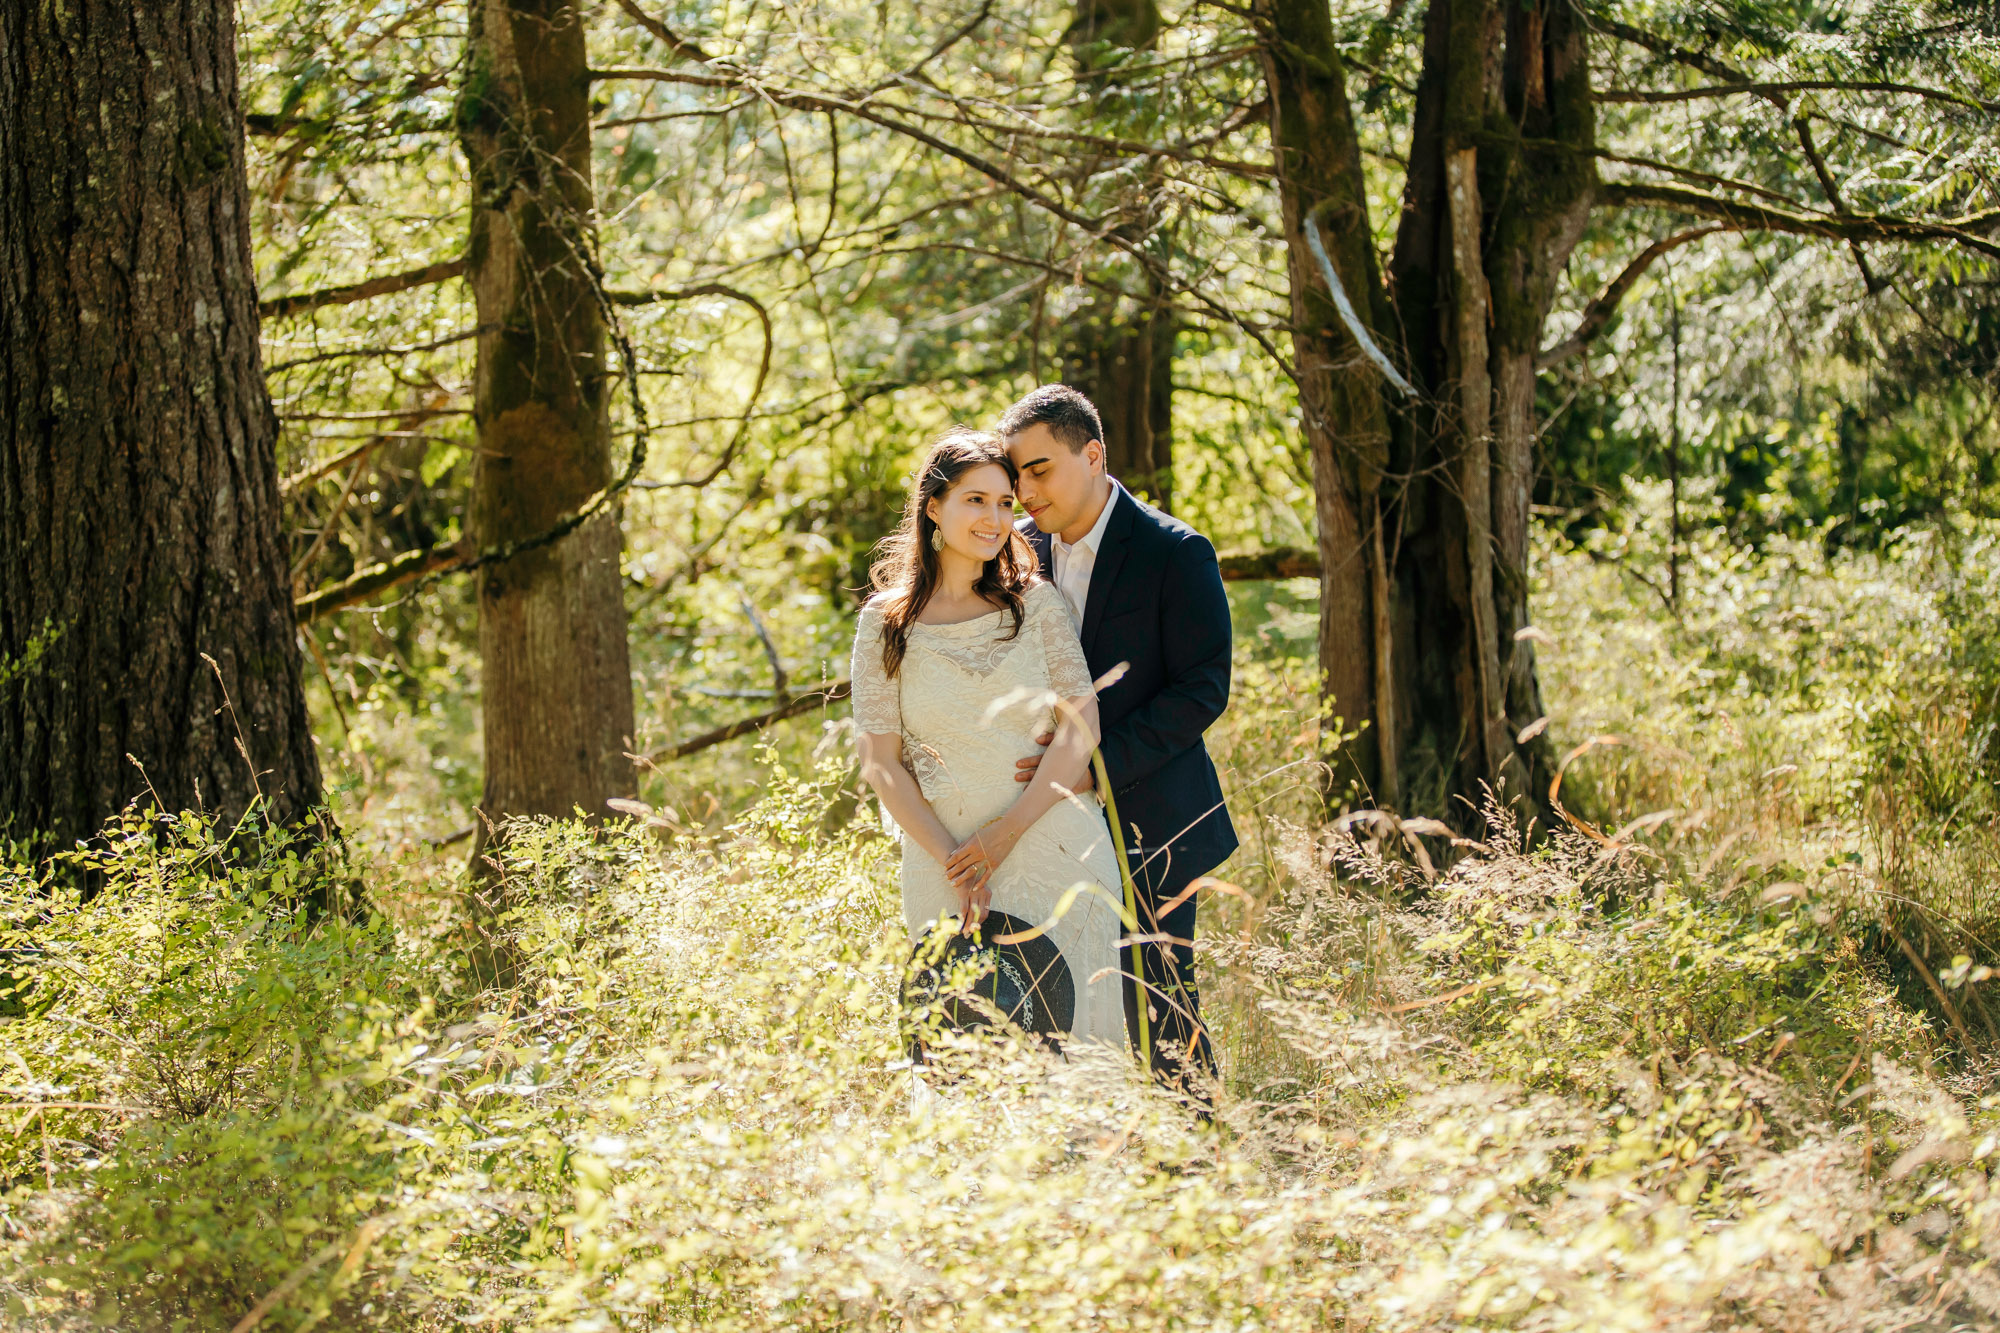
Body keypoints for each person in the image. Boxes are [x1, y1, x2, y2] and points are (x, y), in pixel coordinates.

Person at [850, 427, 1128, 1048]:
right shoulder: (885, 624)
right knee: (963, 1053)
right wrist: (957, 862)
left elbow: (1083, 723)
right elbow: (881, 763)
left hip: (1056, 848)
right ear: (933, 507)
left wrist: (1004, 833)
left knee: (1078, 1048)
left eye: (1006, 503)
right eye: (976, 500)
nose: (996, 517)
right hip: (942, 867)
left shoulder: (1036, 604)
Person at [1001, 384, 1238, 1102]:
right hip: (1041, 822)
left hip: (1153, 817)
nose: (1023, 489)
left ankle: (1204, 1163)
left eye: (1039, 469)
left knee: (1159, 1004)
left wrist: (1090, 771)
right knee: (1051, 1000)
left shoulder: (1176, 551)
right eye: (1016, 475)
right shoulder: (1017, 555)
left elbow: (1202, 688)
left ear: (1093, 453)